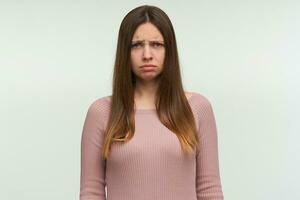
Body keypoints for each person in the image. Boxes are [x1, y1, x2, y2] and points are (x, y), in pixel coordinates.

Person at [80, 5, 224, 200]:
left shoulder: (197, 108)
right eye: (137, 45)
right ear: (125, 52)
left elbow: (209, 190)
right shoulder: (101, 112)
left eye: (156, 44)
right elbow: (91, 192)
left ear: (169, 50)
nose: (147, 54)